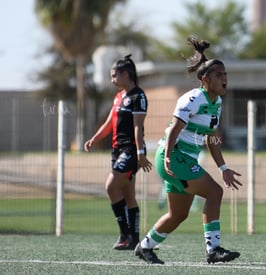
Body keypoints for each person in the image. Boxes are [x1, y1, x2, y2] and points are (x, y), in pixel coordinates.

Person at [134, 36, 242, 264]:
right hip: (174, 157)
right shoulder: (192, 99)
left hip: (181, 159)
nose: (224, 79)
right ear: (205, 79)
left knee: (178, 214)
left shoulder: (217, 103)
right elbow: (174, 130)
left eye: (225, 75)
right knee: (214, 193)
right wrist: (167, 159)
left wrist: (223, 167)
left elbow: (212, 138)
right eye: (219, 75)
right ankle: (213, 250)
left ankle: (145, 246)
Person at [84, 54, 152, 250]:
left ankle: (125, 235)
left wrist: (140, 153)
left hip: (131, 151)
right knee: (127, 193)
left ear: (125, 74)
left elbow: (138, 127)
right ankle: (133, 240)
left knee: (111, 186)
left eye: (114, 75)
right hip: (117, 150)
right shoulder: (119, 96)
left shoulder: (138, 96)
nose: (112, 80)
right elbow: (109, 123)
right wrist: (95, 138)